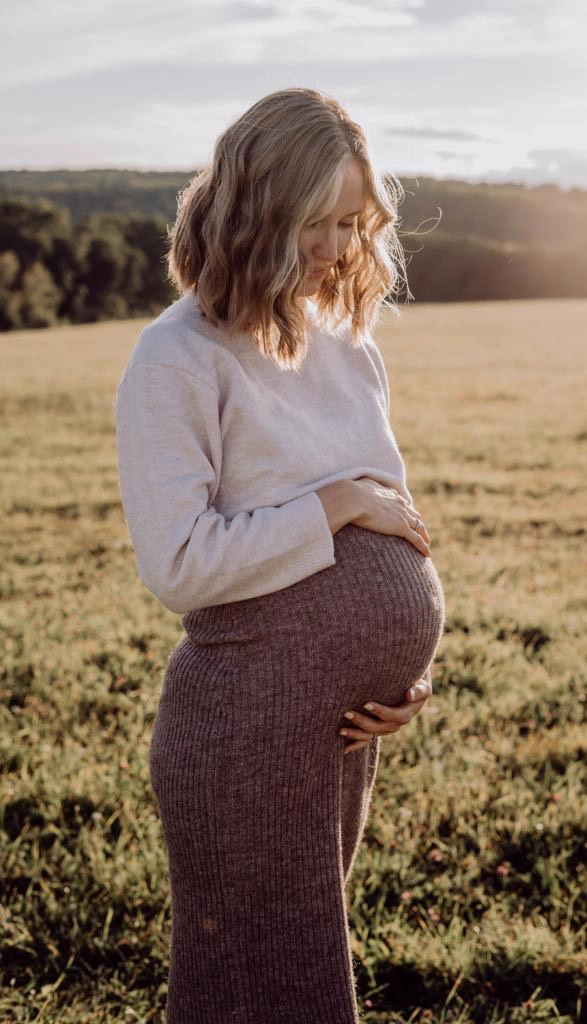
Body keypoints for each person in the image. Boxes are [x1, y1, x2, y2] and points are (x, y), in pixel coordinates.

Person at [115, 87, 446, 1024]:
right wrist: (330, 507)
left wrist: (404, 674)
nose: (340, 248)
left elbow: (394, 518)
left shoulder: (348, 345)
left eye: (353, 222)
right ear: (254, 208)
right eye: (318, 221)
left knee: (287, 980)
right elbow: (178, 564)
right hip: (242, 734)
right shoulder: (175, 359)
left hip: (338, 736)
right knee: (267, 990)